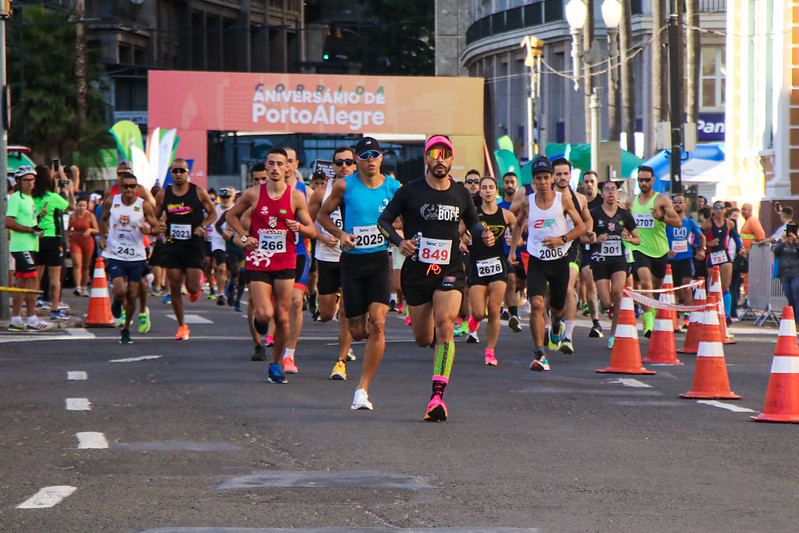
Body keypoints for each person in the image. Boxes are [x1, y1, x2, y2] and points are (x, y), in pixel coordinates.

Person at [377, 134, 494, 421]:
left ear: (452, 160)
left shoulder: (460, 193)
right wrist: (398, 242)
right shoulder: (410, 191)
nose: (440, 159)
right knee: (422, 338)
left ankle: (437, 397)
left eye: (445, 154)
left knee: (445, 325)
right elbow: (383, 221)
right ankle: (430, 342)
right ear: (426, 159)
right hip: (417, 273)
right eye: (434, 154)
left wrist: (484, 234)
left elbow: (474, 224)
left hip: (450, 269)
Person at [318, 136, 401, 410]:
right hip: (352, 263)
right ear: (358, 160)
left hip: (379, 261)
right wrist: (339, 234)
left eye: (375, 155)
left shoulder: (393, 186)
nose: (370, 160)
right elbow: (322, 215)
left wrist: (400, 234)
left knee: (378, 322)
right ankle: (354, 320)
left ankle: (362, 389)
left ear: (381, 158)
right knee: (359, 330)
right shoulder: (345, 185)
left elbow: (407, 216)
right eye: (365, 156)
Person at [226, 148, 316, 384]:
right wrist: (244, 237)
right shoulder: (253, 194)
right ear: (266, 167)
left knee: (283, 318)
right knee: (265, 313)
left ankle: (275, 365)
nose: (275, 168)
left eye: (280, 164)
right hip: (259, 259)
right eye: (271, 164)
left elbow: (312, 230)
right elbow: (231, 216)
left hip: (286, 260)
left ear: (288, 168)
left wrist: (300, 228)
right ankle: (260, 323)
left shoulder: (296, 196)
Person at [509, 155, 585, 372]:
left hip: (560, 260)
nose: (542, 182)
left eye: (545, 177)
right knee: (536, 304)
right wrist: (514, 250)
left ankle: (557, 326)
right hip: (536, 261)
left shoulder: (563, 200)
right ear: (533, 181)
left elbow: (580, 228)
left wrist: (561, 240)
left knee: (557, 309)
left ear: (552, 179)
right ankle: (539, 354)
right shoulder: (527, 202)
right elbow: (517, 224)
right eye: (538, 178)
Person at [154, 158, 218, 340]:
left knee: (192, 286)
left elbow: (213, 213)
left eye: (182, 171)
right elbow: (155, 215)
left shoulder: (198, 192)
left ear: (188, 172)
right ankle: (182, 326)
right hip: (172, 242)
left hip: (193, 243)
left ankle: (195, 290)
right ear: (171, 173)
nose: (179, 174)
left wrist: (203, 226)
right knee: (173, 284)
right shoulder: (163, 195)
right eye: (175, 171)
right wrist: (158, 225)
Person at [308, 146, 357, 380]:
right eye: (339, 163)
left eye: (348, 162)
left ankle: (341, 361)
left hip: (353, 258)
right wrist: (321, 236)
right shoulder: (320, 193)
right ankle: (331, 304)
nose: (344, 166)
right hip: (327, 257)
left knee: (348, 312)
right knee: (327, 314)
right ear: (333, 166)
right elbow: (307, 225)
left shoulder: (364, 190)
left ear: (355, 164)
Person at [99, 173, 160, 344]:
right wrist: (103, 238)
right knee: (120, 290)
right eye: (126, 186)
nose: (129, 190)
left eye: (133, 186)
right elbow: (103, 220)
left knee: (133, 294)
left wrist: (150, 231)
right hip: (116, 252)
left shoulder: (144, 205)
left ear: (137, 187)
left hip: (136, 255)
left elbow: (156, 227)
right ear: (120, 186)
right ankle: (117, 300)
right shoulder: (111, 202)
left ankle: (126, 328)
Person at [463, 176, 516, 365]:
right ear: (480, 192)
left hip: (498, 265)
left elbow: (519, 231)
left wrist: (514, 245)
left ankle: (490, 351)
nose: (487, 191)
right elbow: (458, 233)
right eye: (484, 187)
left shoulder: (506, 215)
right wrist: (462, 243)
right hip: (477, 265)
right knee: (478, 312)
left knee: (494, 310)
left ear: (496, 191)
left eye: (490, 187)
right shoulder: (473, 215)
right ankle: (473, 322)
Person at [625, 165, 681, 336]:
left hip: (659, 249)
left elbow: (677, 222)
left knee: (657, 285)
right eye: (640, 180)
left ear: (652, 180)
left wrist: (662, 218)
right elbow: (624, 222)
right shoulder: (631, 201)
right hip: (639, 248)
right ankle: (648, 322)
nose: (643, 183)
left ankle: (655, 315)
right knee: (644, 282)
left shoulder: (661, 200)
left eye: (646, 180)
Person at [584, 181, 640, 348]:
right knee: (608, 303)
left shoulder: (625, 215)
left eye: (613, 190)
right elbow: (583, 237)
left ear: (617, 194)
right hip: (600, 259)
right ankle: (603, 304)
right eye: (606, 190)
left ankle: (614, 335)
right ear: (601, 194)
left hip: (618, 259)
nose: (610, 193)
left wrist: (629, 238)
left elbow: (637, 240)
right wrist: (595, 238)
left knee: (618, 294)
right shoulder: (594, 214)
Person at [550, 157, 593, 354]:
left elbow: (587, 219)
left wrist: (589, 232)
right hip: (549, 248)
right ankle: (554, 325)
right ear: (552, 176)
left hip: (572, 248)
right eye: (558, 174)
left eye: (565, 173)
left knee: (567, 289)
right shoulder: (544, 198)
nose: (562, 178)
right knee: (549, 295)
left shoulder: (579, 198)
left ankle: (568, 337)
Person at [6, 166, 52, 331]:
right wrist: (30, 230)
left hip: (30, 244)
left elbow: (28, 223)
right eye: (26, 180)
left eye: (32, 179)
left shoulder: (29, 199)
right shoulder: (16, 198)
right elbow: (8, 222)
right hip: (21, 246)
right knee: (32, 280)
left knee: (22, 282)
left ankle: (17, 317)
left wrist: (38, 221)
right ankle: (32, 318)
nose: (30, 183)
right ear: (18, 182)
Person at [32, 164, 74, 320]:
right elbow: (71, 206)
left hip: (36, 238)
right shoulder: (53, 197)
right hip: (53, 237)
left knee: (36, 276)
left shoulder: (31, 197)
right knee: (55, 276)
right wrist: (66, 190)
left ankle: (34, 308)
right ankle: (55, 309)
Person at [701, 200, 743, 325]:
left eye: (722, 208)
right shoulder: (707, 224)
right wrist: (707, 244)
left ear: (725, 210)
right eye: (717, 208)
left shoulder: (729, 223)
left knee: (725, 286)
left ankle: (727, 315)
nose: (719, 210)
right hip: (711, 255)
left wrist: (740, 248)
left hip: (724, 255)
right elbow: (696, 238)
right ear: (713, 210)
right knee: (714, 286)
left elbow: (736, 237)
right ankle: (712, 312)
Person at [667, 194, 706, 328]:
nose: (677, 204)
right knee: (674, 290)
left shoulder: (690, 222)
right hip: (670, 260)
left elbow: (701, 236)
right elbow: (660, 237)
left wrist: (702, 249)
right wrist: (666, 250)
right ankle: (673, 318)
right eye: (675, 202)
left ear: (685, 205)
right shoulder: (667, 221)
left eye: (680, 202)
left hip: (686, 258)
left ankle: (687, 318)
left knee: (687, 286)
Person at [497, 171, 524, 333]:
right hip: (505, 253)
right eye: (506, 182)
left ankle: (512, 303)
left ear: (517, 184)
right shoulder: (499, 207)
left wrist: (519, 240)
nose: (509, 185)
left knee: (521, 284)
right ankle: (513, 314)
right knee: (511, 281)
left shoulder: (524, 205)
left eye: (512, 182)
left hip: (525, 251)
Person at [578, 170, 604, 337]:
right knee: (589, 279)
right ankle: (596, 323)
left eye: (592, 181)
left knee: (605, 288)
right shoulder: (578, 202)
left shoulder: (603, 201)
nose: (589, 184)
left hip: (604, 247)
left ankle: (603, 304)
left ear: (596, 183)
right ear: (582, 184)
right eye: (586, 181)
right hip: (583, 247)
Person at [67, 196, 99, 297]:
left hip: (87, 241)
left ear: (87, 206)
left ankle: (84, 286)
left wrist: (90, 230)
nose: (81, 208)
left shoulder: (90, 216)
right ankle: (78, 287)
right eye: (80, 205)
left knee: (86, 265)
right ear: (76, 206)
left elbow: (97, 230)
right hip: (76, 240)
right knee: (77, 263)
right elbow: (68, 229)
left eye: (83, 206)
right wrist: (68, 240)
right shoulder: (72, 216)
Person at [209, 187, 235, 305]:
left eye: (227, 197)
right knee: (221, 267)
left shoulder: (236, 208)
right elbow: (213, 223)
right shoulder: (215, 209)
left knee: (233, 270)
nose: (225, 200)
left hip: (233, 242)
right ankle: (220, 294)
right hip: (218, 241)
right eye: (223, 197)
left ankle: (230, 288)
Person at [773, 221, 799, 326]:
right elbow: (776, 252)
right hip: (784, 272)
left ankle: (797, 321)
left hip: (796, 272)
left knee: (796, 296)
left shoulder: (797, 241)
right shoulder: (782, 241)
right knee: (789, 296)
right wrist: (783, 242)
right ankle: (791, 320)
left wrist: (796, 242)